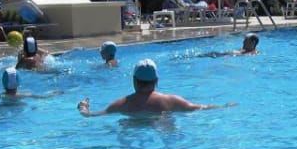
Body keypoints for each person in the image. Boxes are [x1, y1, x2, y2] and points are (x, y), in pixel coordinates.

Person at [77, 58, 233, 117]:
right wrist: (224, 106)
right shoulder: (171, 101)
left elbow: (91, 116)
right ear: (156, 81)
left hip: (135, 128)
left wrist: (83, 107)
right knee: (166, 121)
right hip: (160, 120)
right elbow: (198, 108)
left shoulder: (121, 104)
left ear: (134, 81)